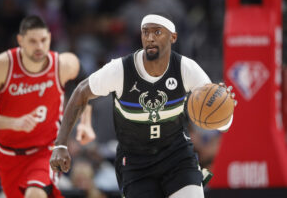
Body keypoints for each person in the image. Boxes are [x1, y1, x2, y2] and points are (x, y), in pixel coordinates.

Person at [50, 13, 236, 198]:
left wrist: (225, 109)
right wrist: (61, 145)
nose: (150, 38)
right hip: (135, 162)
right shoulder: (120, 70)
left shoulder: (186, 68)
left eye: (157, 32)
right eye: (145, 33)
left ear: (173, 37)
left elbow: (222, 124)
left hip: (177, 157)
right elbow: (80, 92)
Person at [0, 15, 95, 198]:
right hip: (5, 152)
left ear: (50, 38)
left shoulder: (62, 65)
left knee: (35, 194)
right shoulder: (2, 65)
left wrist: (86, 122)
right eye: (33, 41)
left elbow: (86, 85)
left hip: (44, 151)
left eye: (43, 40)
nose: (39, 46)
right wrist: (14, 123)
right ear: (20, 41)